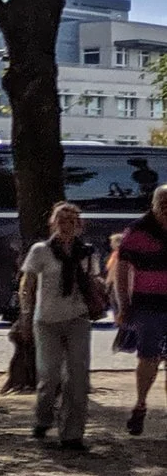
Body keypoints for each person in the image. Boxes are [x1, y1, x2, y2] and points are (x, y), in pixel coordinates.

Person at [20, 201, 105, 451]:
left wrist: (98, 285)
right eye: (61, 220)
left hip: (77, 318)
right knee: (49, 376)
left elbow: (94, 280)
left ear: (78, 225)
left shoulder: (87, 252)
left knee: (77, 379)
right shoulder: (40, 251)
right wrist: (25, 315)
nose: (66, 225)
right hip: (46, 320)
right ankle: (43, 418)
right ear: (53, 224)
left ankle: (72, 434)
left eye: (71, 221)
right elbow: (28, 285)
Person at [112, 184, 167, 434]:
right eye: (163, 204)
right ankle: (141, 403)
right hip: (147, 305)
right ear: (153, 205)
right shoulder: (136, 232)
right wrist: (123, 305)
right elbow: (121, 272)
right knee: (148, 357)